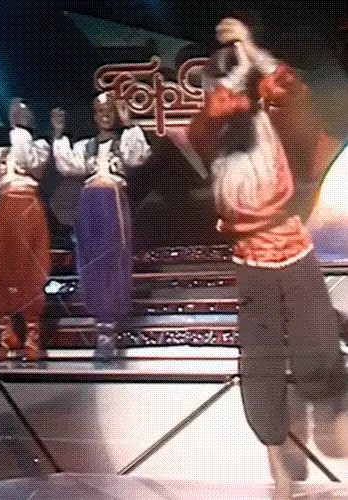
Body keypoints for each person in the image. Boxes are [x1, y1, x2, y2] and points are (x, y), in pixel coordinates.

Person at [187, 18, 347, 499]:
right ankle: (278, 465)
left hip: (293, 250)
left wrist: (251, 47)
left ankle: (329, 405)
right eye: (222, 85)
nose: (230, 93)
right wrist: (239, 68)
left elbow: (289, 86)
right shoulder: (209, 131)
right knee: (259, 366)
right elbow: (217, 108)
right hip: (251, 262)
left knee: (317, 348)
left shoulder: (274, 120)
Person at [51, 93, 151, 360]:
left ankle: (109, 328)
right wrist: (59, 134)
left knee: (113, 257)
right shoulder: (86, 146)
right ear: (94, 115)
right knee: (91, 258)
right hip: (90, 201)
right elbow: (68, 165)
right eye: (99, 111)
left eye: (109, 111)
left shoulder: (125, 142)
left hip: (112, 199)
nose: (105, 116)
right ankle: (99, 326)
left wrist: (130, 125)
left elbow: (137, 157)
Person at [0, 99, 50, 362]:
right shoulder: (3, 152)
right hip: (4, 208)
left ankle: (32, 337)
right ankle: (6, 335)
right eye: (13, 114)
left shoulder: (40, 147)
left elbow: (27, 159)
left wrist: (20, 129)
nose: (16, 117)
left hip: (27, 208)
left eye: (22, 114)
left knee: (29, 270)